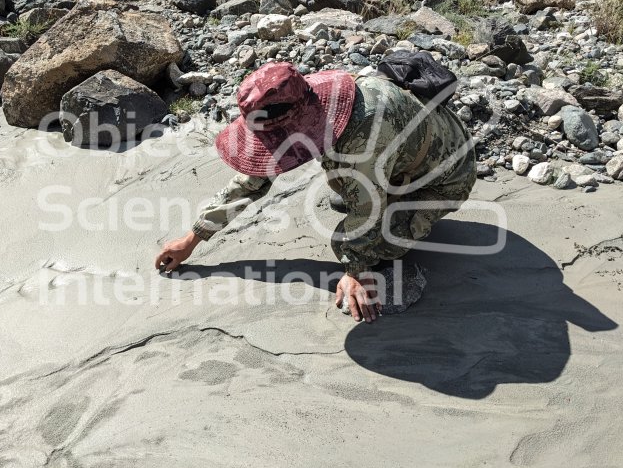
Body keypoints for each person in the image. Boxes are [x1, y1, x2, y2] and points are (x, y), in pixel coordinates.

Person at [155, 62, 476, 323]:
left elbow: (369, 210)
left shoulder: (363, 137)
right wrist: (194, 236)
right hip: (400, 159)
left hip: (444, 178)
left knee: (350, 240)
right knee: (346, 187)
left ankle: (412, 216)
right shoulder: (310, 96)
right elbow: (252, 181)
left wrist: (355, 270)